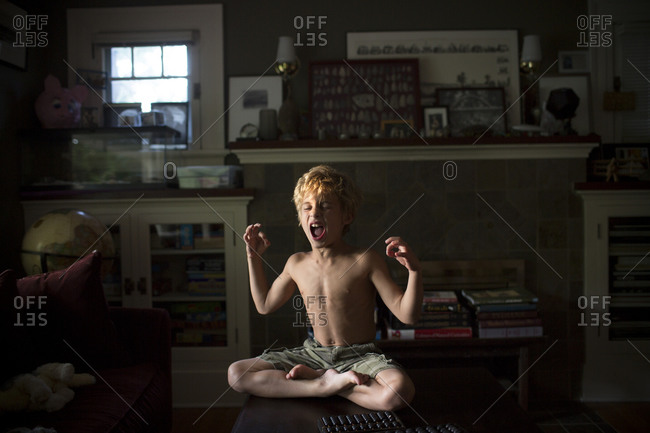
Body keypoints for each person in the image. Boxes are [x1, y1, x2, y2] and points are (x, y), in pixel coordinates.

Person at [227, 165, 423, 411]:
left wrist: (414, 272)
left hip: (360, 356)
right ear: (300, 217)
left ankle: (326, 380)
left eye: (326, 206)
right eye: (307, 207)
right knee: (237, 374)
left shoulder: (366, 259)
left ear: (346, 216)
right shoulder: (296, 263)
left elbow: (408, 315)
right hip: (314, 354)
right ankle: (323, 385)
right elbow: (265, 305)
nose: (314, 213)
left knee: (399, 393)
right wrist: (253, 258)